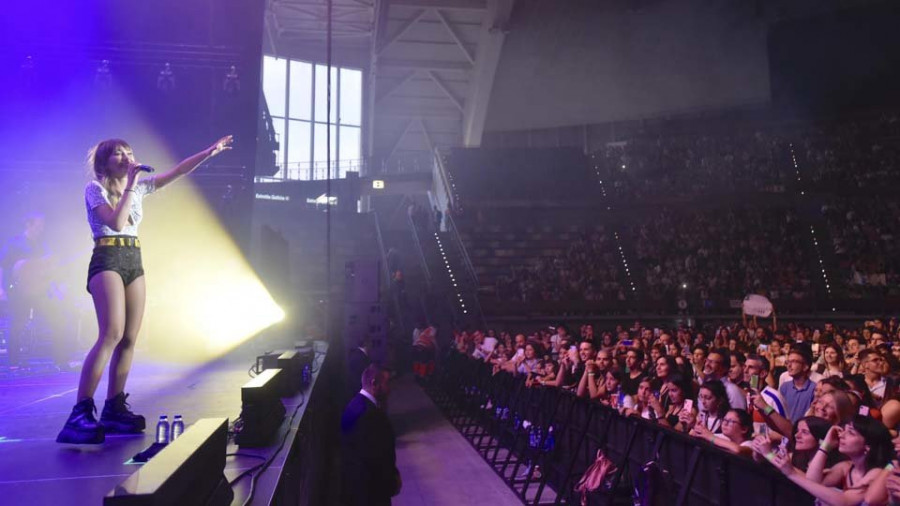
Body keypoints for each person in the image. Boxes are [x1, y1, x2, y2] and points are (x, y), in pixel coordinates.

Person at [56, 135, 233, 444]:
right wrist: (131, 185)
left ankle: (113, 408)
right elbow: (117, 222)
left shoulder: (139, 187)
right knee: (110, 334)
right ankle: (80, 414)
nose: (126, 158)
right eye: (118, 155)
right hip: (107, 256)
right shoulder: (95, 189)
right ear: (104, 163)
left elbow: (178, 171)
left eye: (129, 152)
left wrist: (208, 152)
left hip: (133, 259)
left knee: (128, 339)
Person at [341, 364, 401, 506]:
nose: (389, 390)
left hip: (357, 487)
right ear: (374, 383)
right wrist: (392, 482)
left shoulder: (354, 404)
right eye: (387, 384)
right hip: (371, 493)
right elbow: (379, 459)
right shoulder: (370, 415)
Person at [0, 213, 48, 367]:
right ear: (28, 224)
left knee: (46, 318)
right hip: (18, 290)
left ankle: (55, 358)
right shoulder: (15, 243)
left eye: (42, 226)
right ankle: (14, 361)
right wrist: (1, 288)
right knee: (17, 324)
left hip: (36, 290)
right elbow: (3, 266)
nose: (41, 229)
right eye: (38, 225)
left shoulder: (40, 245)